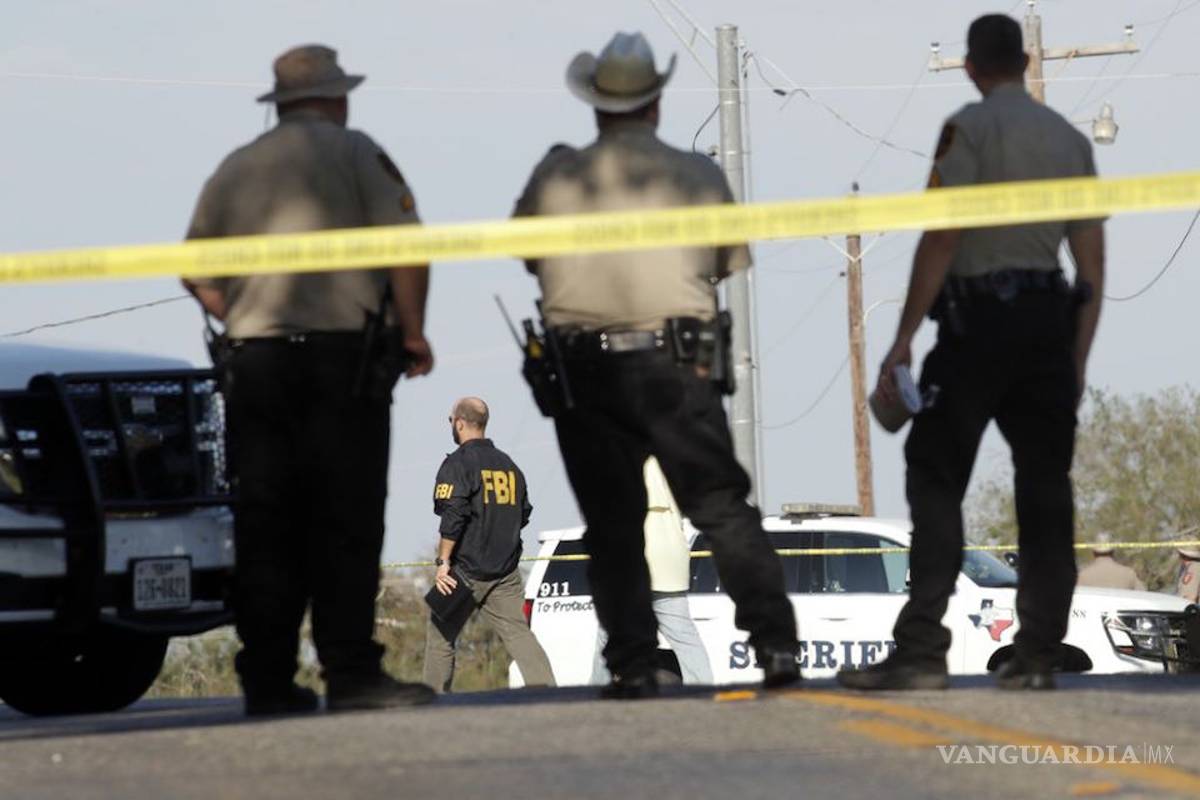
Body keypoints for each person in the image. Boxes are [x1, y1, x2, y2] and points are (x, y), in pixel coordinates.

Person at [513, 32, 799, 698]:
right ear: (657, 103)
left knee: (612, 523)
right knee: (723, 509)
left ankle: (635, 663)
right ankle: (776, 650)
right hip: (679, 366)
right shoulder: (698, 174)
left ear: (594, 105)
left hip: (588, 368)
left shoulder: (557, 175)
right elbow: (726, 265)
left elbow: (529, 255)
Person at [837, 14, 1105, 692]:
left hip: (976, 323)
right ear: (1024, 59)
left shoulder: (968, 129)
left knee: (935, 475)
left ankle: (923, 648)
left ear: (971, 67)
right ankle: (1039, 652)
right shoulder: (1071, 140)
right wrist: (1076, 361)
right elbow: (1092, 267)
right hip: (1047, 325)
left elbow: (943, 237)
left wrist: (904, 337)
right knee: (1046, 491)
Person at [183, 44, 436, 714]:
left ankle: (266, 680)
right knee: (345, 518)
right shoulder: (358, 153)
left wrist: (239, 315)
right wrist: (411, 332)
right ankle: (350, 673)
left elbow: (195, 268)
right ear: (337, 96)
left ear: (282, 102)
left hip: (256, 366)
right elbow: (408, 246)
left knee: (267, 525)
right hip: (340, 363)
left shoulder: (236, 167)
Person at [423, 397, 556, 692]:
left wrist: (443, 562)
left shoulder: (457, 464)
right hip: (506, 572)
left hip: (466, 570)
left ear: (458, 422)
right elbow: (523, 513)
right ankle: (548, 692)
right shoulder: (509, 465)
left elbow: (453, 516)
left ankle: (433, 701)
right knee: (519, 635)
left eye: (450, 420)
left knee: (440, 634)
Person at [591, 456, 714, 686]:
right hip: (670, 559)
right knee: (685, 638)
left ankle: (597, 689)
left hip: (633, 559)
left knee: (609, 631)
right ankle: (702, 685)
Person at [1076, 535, 1145, 591]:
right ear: (1112, 552)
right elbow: (1143, 595)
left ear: (1094, 553)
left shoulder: (1082, 576)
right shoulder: (1129, 574)